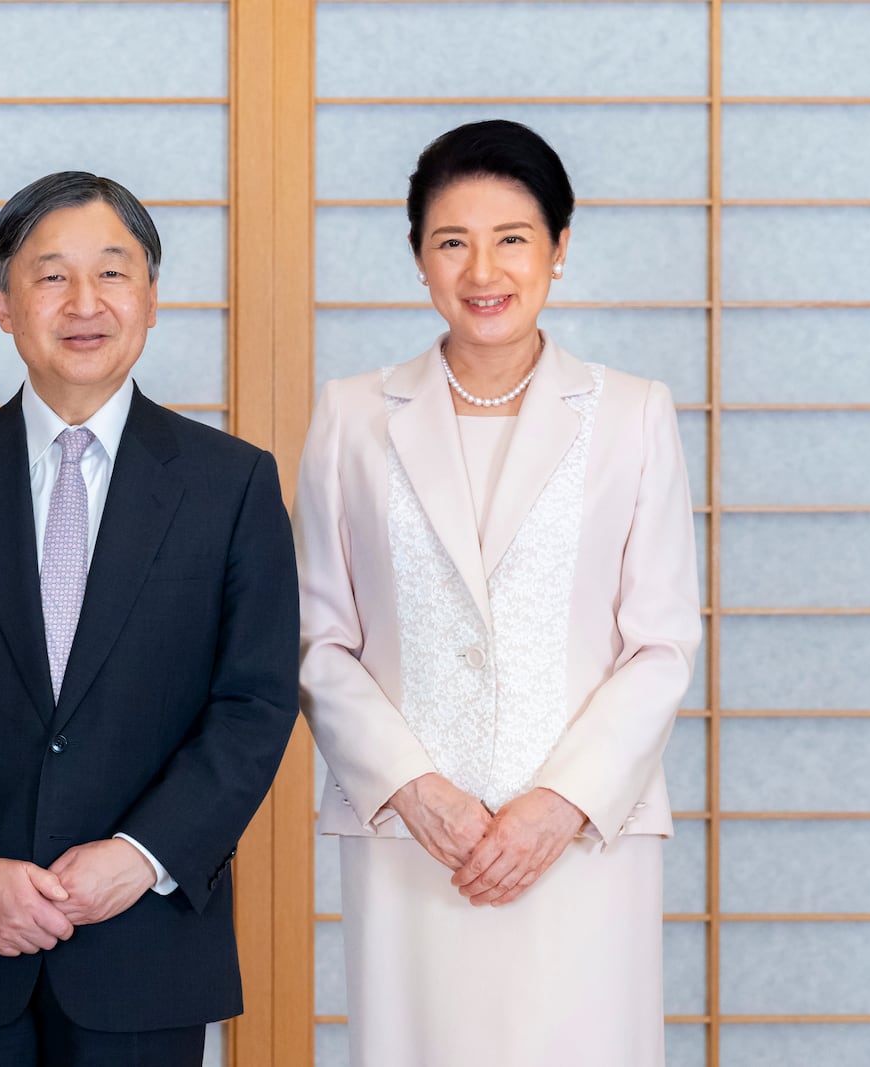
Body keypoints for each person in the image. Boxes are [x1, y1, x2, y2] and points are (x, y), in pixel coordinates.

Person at [0, 171, 299, 1067]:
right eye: (50, 276)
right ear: (4, 304)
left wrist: (139, 853)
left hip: (145, 945)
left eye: (113, 273)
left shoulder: (232, 485)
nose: (84, 302)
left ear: (153, 299)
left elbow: (255, 702)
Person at [296, 120, 701, 1066]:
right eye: (452, 240)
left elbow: (662, 643)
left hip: (586, 840)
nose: (484, 268)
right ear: (418, 258)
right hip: (413, 838)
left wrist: (558, 804)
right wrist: (416, 788)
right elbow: (319, 637)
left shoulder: (634, 413)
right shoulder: (351, 415)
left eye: (512, 237)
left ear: (559, 248)